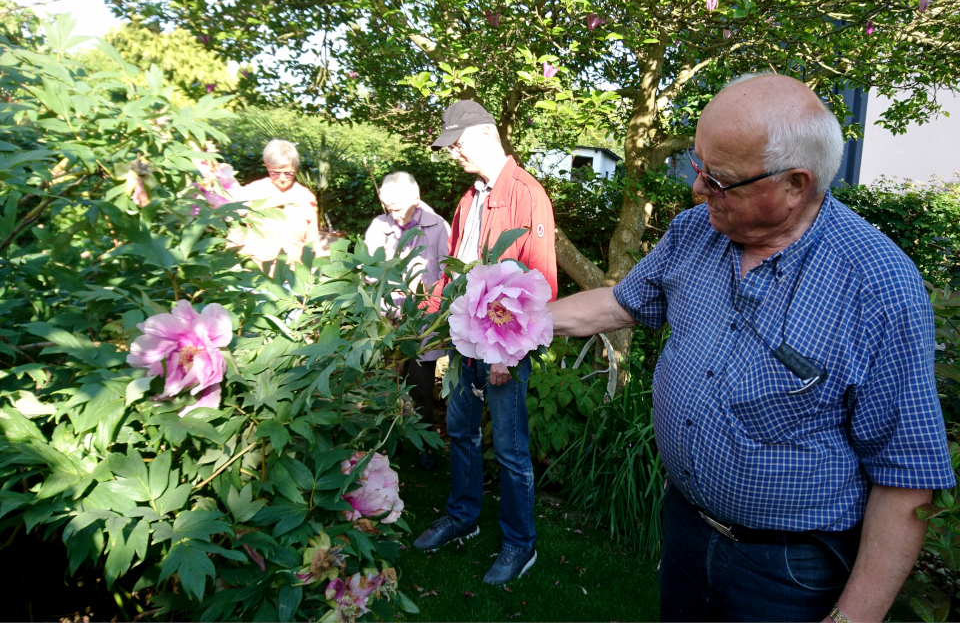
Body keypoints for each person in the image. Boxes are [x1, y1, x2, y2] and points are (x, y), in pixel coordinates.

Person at [547, 73, 954, 622]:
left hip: (790, 571)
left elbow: (906, 476)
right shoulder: (695, 232)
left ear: (795, 184)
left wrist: (851, 619)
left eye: (719, 180)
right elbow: (620, 304)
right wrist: (502, 322)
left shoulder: (877, 285)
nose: (696, 191)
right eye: (698, 167)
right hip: (688, 530)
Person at [412, 100, 558, 586]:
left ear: (484, 137)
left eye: (457, 142)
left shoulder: (528, 194)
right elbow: (456, 269)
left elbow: (540, 285)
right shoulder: (470, 197)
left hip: (505, 348)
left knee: (513, 451)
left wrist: (507, 354)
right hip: (464, 340)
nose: (453, 152)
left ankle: (521, 544)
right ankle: (463, 517)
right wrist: (429, 323)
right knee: (462, 434)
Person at [363, 172, 451, 471]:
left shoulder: (438, 226)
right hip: (387, 320)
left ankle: (424, 444)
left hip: (423, 323)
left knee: (421, 386)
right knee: (386, 382)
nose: (393, 214)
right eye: (388, 207)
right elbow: (368, 270)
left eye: (398, 207)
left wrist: (425, 294)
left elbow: (448, 273)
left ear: (416, 199)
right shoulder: (379, 225)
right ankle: (385, 445)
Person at [227, 139, 321, 271]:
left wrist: (312, 273)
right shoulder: (251, 192)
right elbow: (235, 236)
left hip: (292, 277)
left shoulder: (306, 197)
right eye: (276, 173)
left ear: (296, 168)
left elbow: (312, 241)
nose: (282, 178)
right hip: (254, 275)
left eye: (288, 173)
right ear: (267, 166)